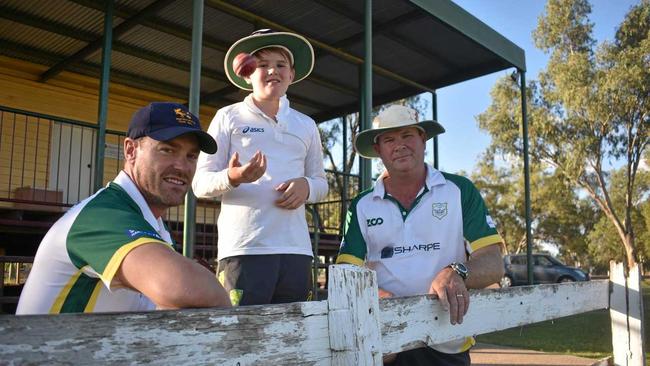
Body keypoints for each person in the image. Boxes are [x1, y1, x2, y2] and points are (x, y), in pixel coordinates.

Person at [16, 102, 231, 314]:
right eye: (167, 150)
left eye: (191, 156)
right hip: (46, 348)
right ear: (130, 150)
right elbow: (185, 287)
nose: (182, 166)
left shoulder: (153, 225)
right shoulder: (101, 216)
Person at [336, 105, 504, 365]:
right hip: (385, 343)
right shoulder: (362, 205)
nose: (399, 145)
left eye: (407, 136)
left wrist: (457, 271)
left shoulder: (459, 190)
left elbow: (493, 263)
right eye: (389, 139)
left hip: (446, 342)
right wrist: (383, 300)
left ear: (423, 139)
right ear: (378, 149)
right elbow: (347, 275)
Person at [192, 30, 328, 306]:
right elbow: (200, 184)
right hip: (244, 250)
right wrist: (233, 177)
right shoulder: (227, 116)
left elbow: (321, 183)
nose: (272, 71)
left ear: (292, 75)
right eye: (262, 65)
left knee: (294, 339)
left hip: (296, 252)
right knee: (241, 341)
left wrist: (306, 186)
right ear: (247, 74)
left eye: (281, 65)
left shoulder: (306, 125)